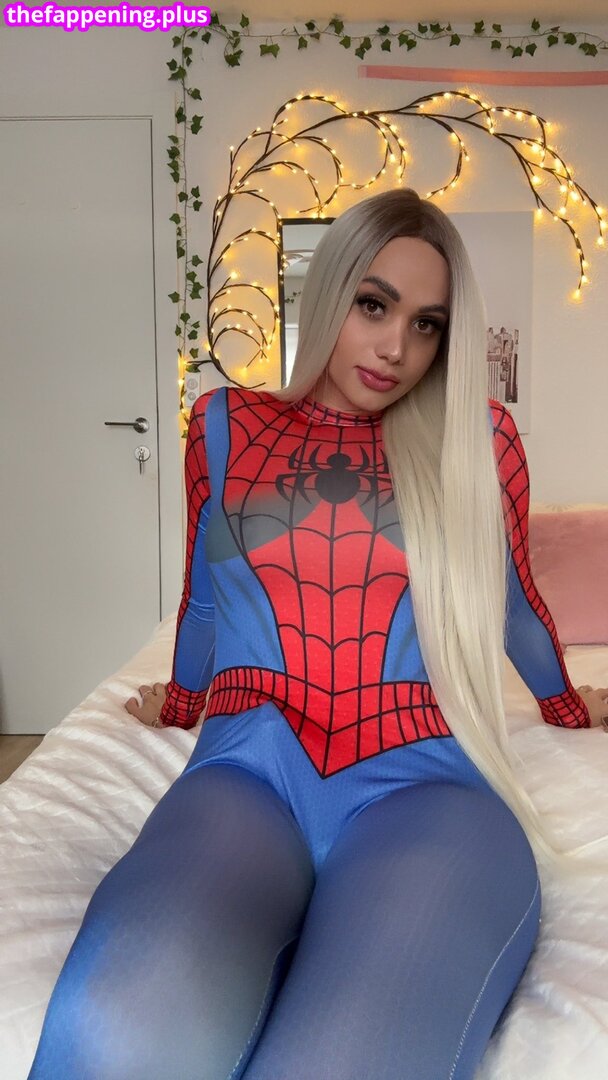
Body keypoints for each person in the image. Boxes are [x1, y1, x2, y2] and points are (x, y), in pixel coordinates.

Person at [28, 188, 608, 1080]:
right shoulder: (225, 425)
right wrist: (180, 701)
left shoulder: (477, 440)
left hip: (429, 790)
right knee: (117, 1024)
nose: (397, 347)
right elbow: (207, 599)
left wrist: (569, 707)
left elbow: (515, 606)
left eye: (427, 325)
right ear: (331, 290)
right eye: (375, 305)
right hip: (247, 772)